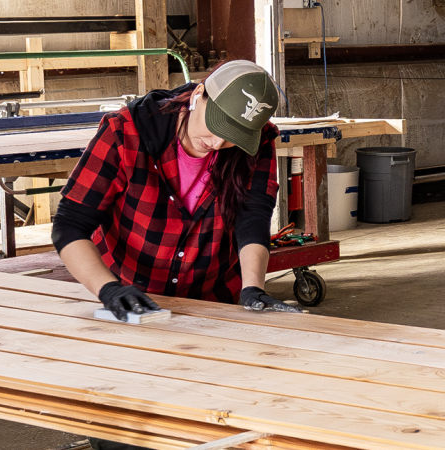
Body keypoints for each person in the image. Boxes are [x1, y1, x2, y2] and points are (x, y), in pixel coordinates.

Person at [51, 60, 300, 450]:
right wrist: (108, 290)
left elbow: (252, 216)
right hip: (132, 304)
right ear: (198, 95)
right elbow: (70, 225)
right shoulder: (125, 133)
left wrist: (252, 288)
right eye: (215, 127)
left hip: (211, 304)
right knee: (127, 433)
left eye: (232, 136)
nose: (218, 144)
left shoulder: (257, 139)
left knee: (215, 427)